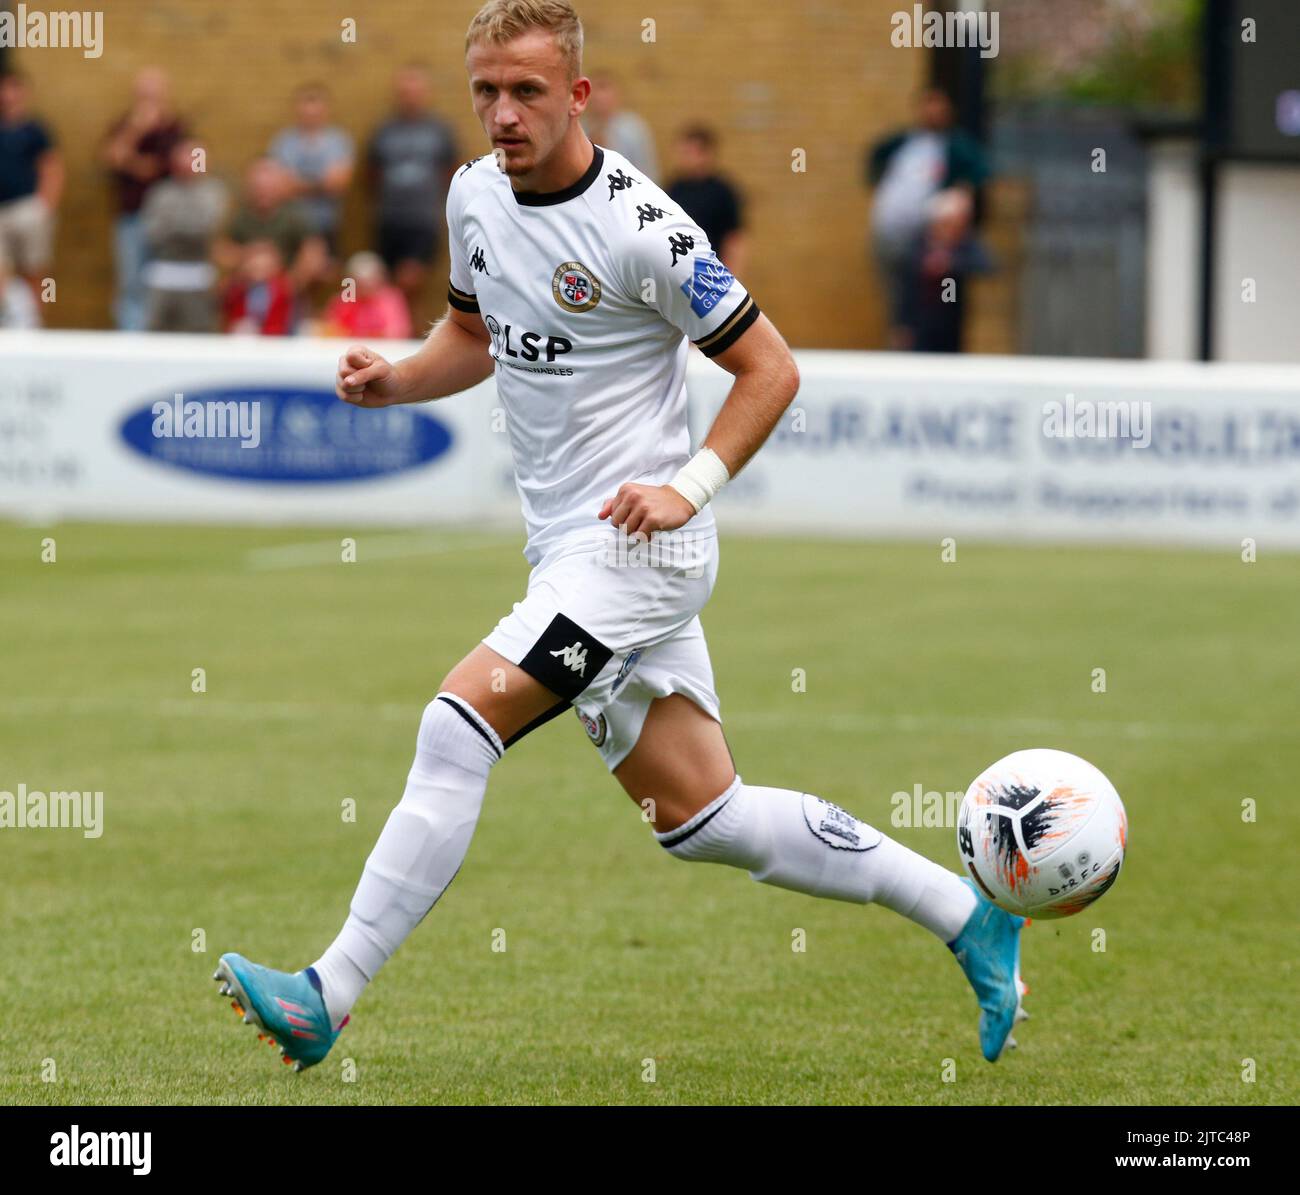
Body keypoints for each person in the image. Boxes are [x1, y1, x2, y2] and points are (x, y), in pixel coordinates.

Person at [214, 0, 1029, 1075]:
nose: (502, 114)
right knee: (706, 817)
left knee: (460, 725)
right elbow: (473, 331)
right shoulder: (472, 196)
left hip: (638, 554)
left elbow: (770, 369)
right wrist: (397, 382)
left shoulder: (647, 229)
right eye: (486, 93)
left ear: (579, 94)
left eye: (527, 93)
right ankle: (970, 918)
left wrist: (689, 486)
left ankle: (329, 989)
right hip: (567, 552)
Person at [866, 86, 989, 349]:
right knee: (899, 294)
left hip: (925, 238)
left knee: (929, 300)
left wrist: (954, 207)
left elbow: (978, 173)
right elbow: (875, 158)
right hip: (890, 235)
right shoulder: (905, 142)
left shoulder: (956, 146)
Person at [367, 64, 459, 322]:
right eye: (405, 92)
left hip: (422, 221)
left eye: (415, 91)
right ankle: (394, 335)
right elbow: (372, 172)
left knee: (409, 282)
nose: (410, 96)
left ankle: (409, 344)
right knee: (388, 290)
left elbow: (451, 170)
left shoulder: (439, 131)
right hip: (389, 220)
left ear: (425, 93)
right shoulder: (384, 131)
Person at [102, 67, 186, 331]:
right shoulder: (124, 125)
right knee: (131, 282)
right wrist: (135, 131)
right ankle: (132, 337)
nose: (148, 100)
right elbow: (111, 158)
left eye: (154, 94)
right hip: (132, 216)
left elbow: (168, 168)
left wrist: (131, 162)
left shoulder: (176, 129)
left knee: (165, 281)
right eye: (143, 95)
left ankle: (163, 335)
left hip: (170, 223)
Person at [140, 138, 227, 333]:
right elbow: (153, 232)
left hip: (198, 273)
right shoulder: (160, 193)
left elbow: (206, 226)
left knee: (198, 330)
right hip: (164, 270)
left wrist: (174, 224)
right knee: (156, 330)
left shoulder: (213, 192)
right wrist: (187, 225)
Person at [897, 188, 993, 354]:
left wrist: (951, 264)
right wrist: (902, 322)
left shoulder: (963, 245)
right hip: (921, 319)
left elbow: (986, 264)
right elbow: (906, 284)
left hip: (950, 317)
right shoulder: (920, 242)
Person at [214, 157, 327, 294]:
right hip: (246, 287)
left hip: (285, 289)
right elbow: (221, 250)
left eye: (269, 187)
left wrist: (290, 283)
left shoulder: (295, 215)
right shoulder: (239, 215)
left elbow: (314, 252)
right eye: (258, 187)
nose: (263, 192)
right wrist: (247, 255)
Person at [0, 71, 62, 318]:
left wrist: (44, 207)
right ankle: (7, 321)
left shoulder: (35, 130)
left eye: (13, 89)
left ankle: (35, 323)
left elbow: (52, 168)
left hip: (28, 209)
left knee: (34, 270)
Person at [270, 82, 354, 252]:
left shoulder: (339, 141)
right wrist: (322, 183)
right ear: (297, 109)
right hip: (289, 227)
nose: (311, 113)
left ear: (326, 109)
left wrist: (298, 184)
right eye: (306, 106)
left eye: (316, 106)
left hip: (327, 225)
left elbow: (339, 184)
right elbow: (281, 187)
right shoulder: (283, 142)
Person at [665, 124, 746, 277]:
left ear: (705, 154)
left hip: (713, 272)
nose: (682, 157)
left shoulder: (723, 191)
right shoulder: (674, 188)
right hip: (680, 272)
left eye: (689, 152)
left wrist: (731, 276)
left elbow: (735, 239)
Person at [319, 251, 412, 339]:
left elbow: (398, 332)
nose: (365, 287)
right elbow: (331, 330)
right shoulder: (344, 300)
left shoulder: (391, 299)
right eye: (360, 283)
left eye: (370, 281)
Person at [582, 72, 657, 179]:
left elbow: (646, 169)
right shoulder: (579, 129)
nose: (599, 96)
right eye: (594, 90)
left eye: (604, 88)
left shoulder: (634, 129)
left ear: (617, 94)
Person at [221, 239, 295, 336]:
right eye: (255, 263)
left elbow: (282, 322)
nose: (259, 267)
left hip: (273, 341)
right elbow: (229, 317)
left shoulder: (283, 289)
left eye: (264, 264)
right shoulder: (238, 289)